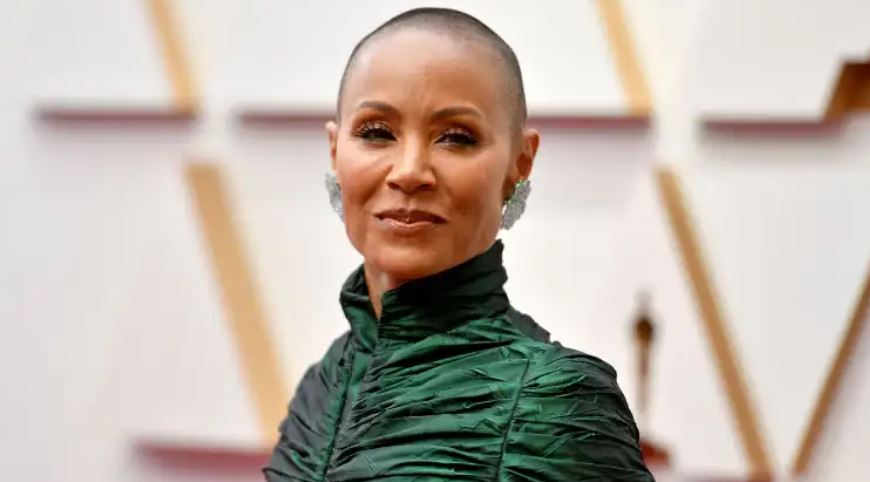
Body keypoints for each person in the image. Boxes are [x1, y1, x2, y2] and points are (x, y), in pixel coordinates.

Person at [264, 7, 653, 481]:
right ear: (334, 150)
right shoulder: (323, 384)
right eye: (376, 133)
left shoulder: (556, 402)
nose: (409, 171)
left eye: (456, 138)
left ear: (520, 162)